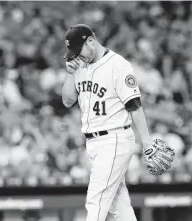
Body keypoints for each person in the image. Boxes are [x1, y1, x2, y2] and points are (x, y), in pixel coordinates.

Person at [62, 24, 153, 221]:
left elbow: (135, 106)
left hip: (114, 139)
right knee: (119, 206)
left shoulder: (118, 65)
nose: (77, 55)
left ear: (91, 42)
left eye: (79, 50)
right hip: (94, 143)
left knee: (96, 200)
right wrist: (70, 75)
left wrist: (147, 141)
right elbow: (68, 101)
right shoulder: (79, 66)